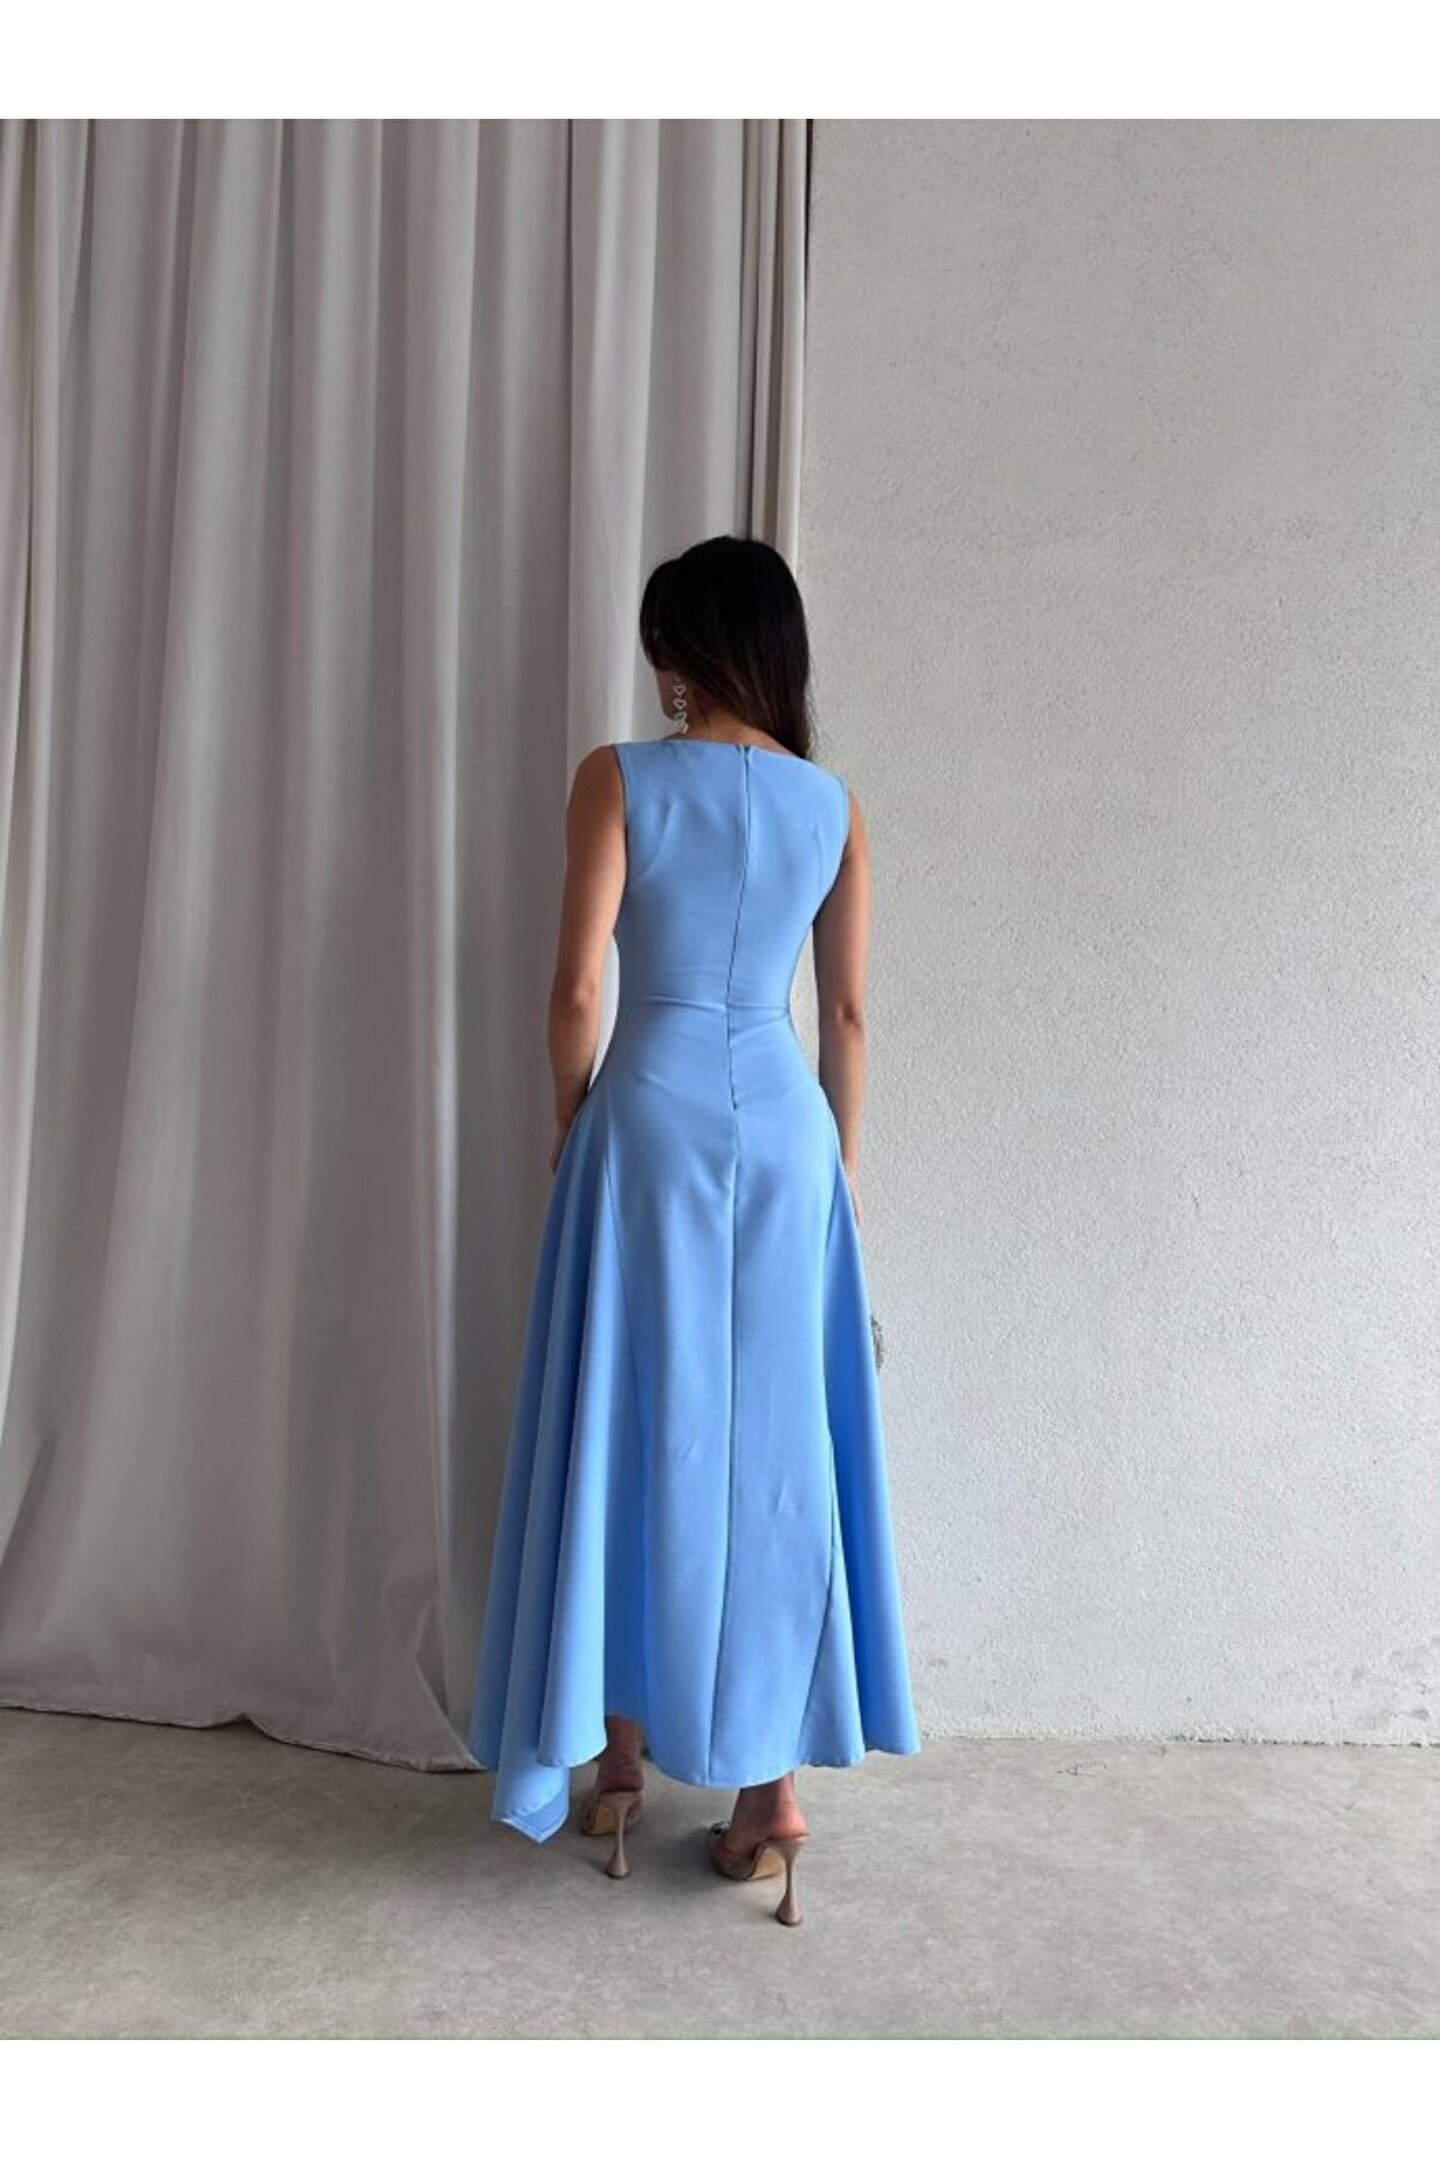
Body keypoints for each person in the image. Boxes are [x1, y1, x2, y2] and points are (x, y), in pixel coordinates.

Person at [468, 534, 920, 1926]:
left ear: (683, 651)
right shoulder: (832, 807)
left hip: (647, 1124)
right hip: (784, 1134)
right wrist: (836, 1173)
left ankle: (615, 1756)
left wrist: (571, 1118)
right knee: (772, 1453)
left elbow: (575, 988)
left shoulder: (617, 778)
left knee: (628, 1422)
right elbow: (847, 1016)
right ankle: (769, 1794)